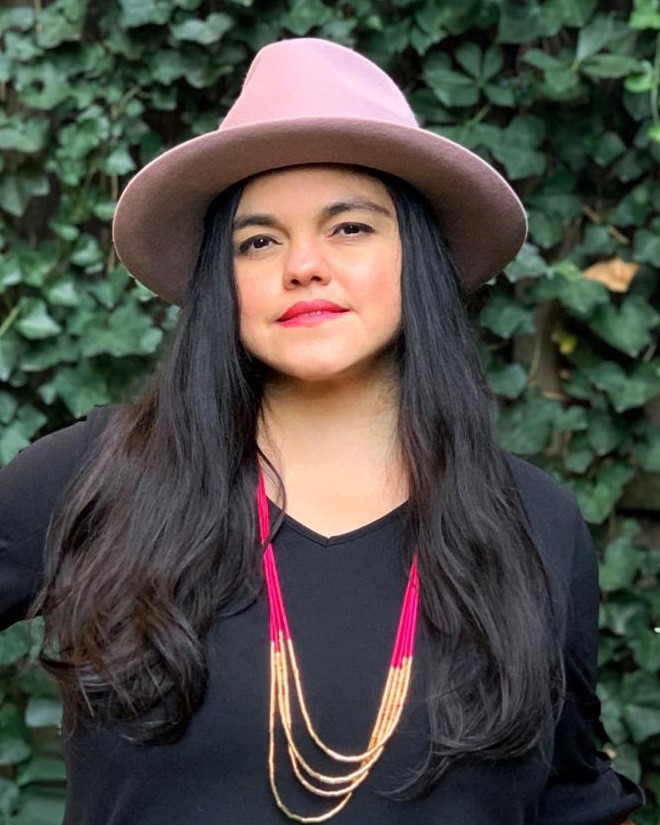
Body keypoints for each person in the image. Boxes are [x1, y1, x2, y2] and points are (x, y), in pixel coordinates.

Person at [0, 37, 645, 825]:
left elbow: (575, 801)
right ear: (221, 282)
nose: (303, 265)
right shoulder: (92, 477)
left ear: (420, 259)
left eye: (349, 228)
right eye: (259, 240)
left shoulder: (539, 524)